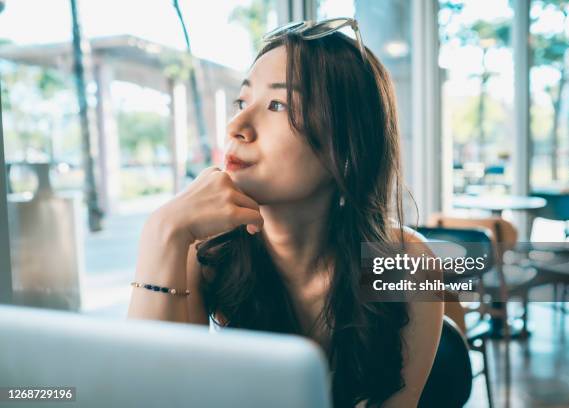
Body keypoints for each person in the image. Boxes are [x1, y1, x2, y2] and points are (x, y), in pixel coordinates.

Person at [128, 18, 443, 408]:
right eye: (242, 102)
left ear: (346, 148)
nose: (236, 125)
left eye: (278, 105)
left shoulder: (408, 266)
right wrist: (162, 231)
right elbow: (151, 394)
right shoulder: (206, 251)